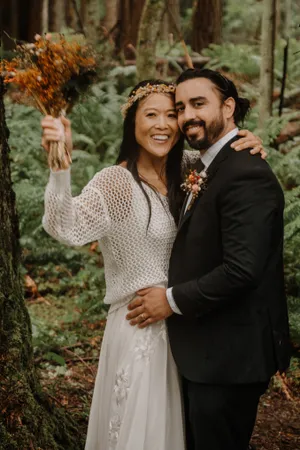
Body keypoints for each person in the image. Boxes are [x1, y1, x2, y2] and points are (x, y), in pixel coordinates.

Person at [41, 78, 265, 450]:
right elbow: (65, 226)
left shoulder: (191, 168)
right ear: (133, 123)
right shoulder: (116, 182)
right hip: (140, 328)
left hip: (188, 326)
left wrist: (249, 142)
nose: (163, 124)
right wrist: (59, 163)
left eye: (171, 114)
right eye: (151, 115)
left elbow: (228, 163)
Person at [126, 70, 291, 450]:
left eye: (198, 104)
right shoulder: (206, 165)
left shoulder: (246, 173)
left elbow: (241, 270)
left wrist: (168, 301)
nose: (187, 116)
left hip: (229, 358)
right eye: (180, 107)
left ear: (228, 107)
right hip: (205, 350)